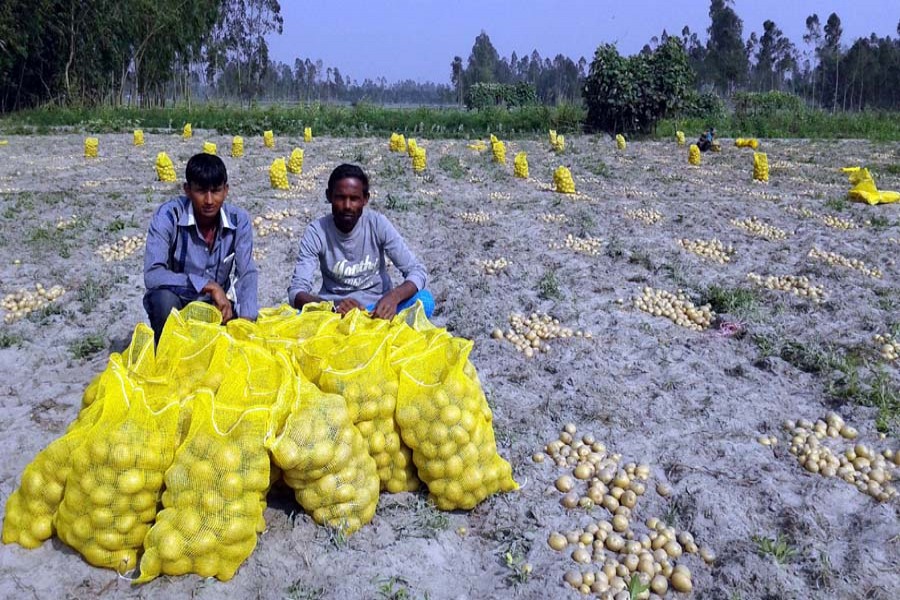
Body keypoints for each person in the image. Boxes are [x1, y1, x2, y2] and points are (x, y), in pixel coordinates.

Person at [288, 163, 432, 320]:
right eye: (340, 198)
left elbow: (417, 271)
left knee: (425, 300)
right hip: (336, 313)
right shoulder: (317, 231)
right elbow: (296, 292)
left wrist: (393, 297)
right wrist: (332, 307)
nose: (347, 206)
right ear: (329, 196)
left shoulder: (377, 224)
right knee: (297, 316)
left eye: (354, 199)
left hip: (376, 309)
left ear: (365, 199)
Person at [143, 153, 258, 343]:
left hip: (214, 305)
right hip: (178, 300)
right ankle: (169, 349)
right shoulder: (169, 216)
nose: (209, 200)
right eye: (201, 191)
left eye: (216, 191)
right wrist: (208, 285)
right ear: (187, 190)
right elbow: (153, 275)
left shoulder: (239, 220)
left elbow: (247, 272)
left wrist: (247, 320)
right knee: (163, 300)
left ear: (226, 190)